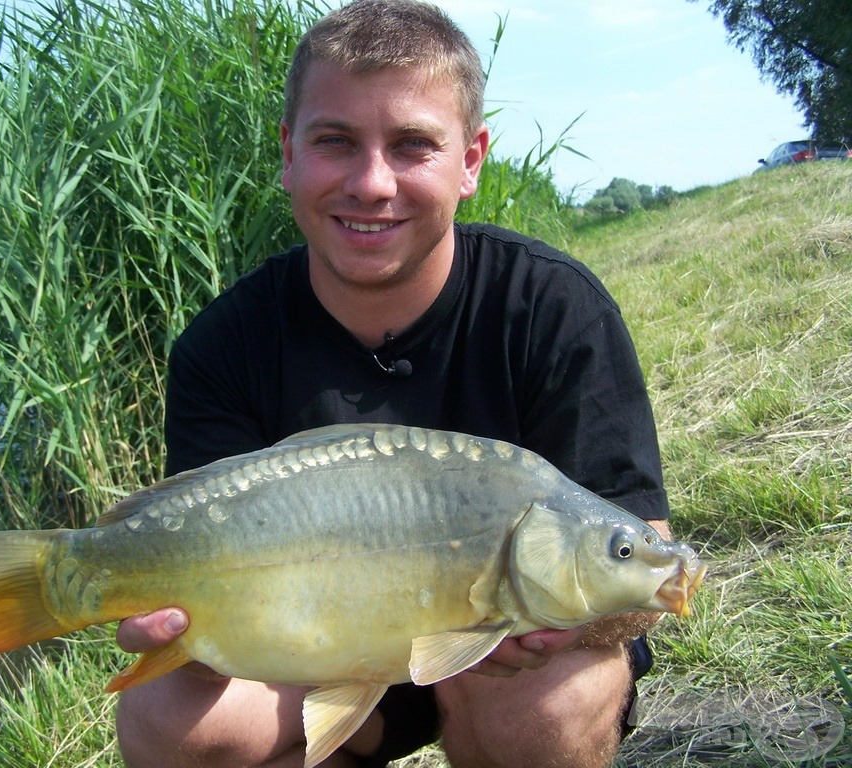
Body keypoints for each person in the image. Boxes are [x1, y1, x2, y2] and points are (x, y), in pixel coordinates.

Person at [115, 1, 673, 766]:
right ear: (288, 152)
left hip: (502, 657)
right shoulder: (223, 343)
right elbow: (205, 558)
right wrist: (192, 633)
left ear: (471, 159)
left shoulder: (553, 308)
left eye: (413, 145)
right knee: (168, 717)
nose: (372, 184)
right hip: (308, 652)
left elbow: (643, 563)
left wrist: (564, 628)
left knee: (543, 703)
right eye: (335, 141)